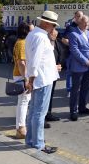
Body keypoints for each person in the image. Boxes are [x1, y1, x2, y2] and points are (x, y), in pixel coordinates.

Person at [24, 11, 61, 154]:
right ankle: (38, 143)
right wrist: (31, 80)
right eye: (52, 25)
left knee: (33, 111)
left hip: (40, 78)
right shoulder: (40, 37)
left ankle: (31, 139)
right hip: (42, 79)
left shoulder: (34, 35)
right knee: (39, 113)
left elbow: (41, 58)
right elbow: (35, 61)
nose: (53, 28)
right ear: (46, 23)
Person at [67, 15, 89, 121]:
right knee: (75, 90)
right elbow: (74, 50)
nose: (87, 24)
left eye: (88, 22)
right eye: (85, 22)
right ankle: (73, 111)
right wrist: (86, 61)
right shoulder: (73, 34)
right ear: (79, 22)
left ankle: (82, 107)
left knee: (85, 88)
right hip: (78, 66)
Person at [12, 22, 32, 139]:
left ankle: (20, 127)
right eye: (31, 30)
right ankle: (21, 128)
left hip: (22, 75)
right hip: (21, 75)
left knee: (23, 101)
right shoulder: (22, 43)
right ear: (26, 31)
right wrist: (26, 79)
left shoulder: (22, 42)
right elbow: (21, 63)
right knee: (23, 101)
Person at [45, 26, 64, 126]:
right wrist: (54, 67)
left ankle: (48, 113)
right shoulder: (45, 43)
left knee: (51, 94)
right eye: (53, 35)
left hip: (54, 73)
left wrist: (60, 65)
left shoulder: (56, 42)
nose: (54, 36)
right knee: (45, 95)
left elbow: (60, 53)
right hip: (47, 73)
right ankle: (43, 117)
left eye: (56, 35)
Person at [62, 11, 84, 97]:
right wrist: (73, 45)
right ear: (75, 16)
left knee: (81, 72)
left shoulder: (82, 27)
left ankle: (78, 88)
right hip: (71, 54)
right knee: (70, 72)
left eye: (81, 16)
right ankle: (69, 90)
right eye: (78, 16)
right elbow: (64, 39)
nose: (79, 18)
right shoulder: (70, 27)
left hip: (81, 54)